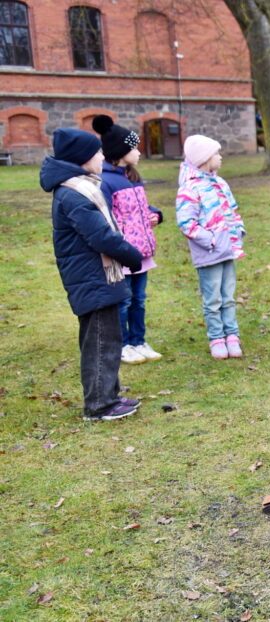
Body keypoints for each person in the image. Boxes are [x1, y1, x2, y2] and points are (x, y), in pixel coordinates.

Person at [41, 128, 144, 421]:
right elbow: (101, 237)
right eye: (96, 152)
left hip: (97, 277)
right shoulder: (74, 194)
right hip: (91, 278)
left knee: (106, 338)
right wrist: (132, 256)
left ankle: (109, 396)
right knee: (101, 341)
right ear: (83, 158)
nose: (101, 156)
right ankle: (99, 405)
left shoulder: (80, 187)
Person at [93, 115, 164, 366]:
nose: (139, 152)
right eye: (134, 147)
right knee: (123, 300)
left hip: (142, 252)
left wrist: (155, 214)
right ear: (121, 151)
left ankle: (138, 340)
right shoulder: (107, 182)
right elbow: (106, 216)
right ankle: (122, 344)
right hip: (123, 252)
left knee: (139, 299)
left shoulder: (132, 177)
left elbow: (141, 207)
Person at [175, 135, 247, 358]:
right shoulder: (189, 188)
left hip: (227, 250)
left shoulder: (220, 183)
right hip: (209, 253)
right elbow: (186, 222)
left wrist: (238, 230)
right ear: (204, 159)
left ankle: (232, 335)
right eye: (217, 153)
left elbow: (232, 210)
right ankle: (216, 338)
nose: (221, 157)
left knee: (228, 295)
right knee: (213, 299)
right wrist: (211, 240)